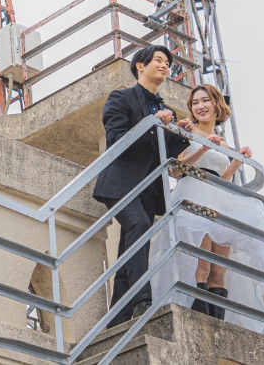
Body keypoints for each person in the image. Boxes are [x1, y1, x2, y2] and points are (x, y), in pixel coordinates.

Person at [147, 84, 264, 334]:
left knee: (219, 273)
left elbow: (224, 179)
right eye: (196, 102)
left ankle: (215, 330)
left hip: (220, 199)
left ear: (217, 105)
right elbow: (176, 169)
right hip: (195, 196)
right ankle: (198, 327)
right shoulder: (185, 131)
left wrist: (235, 161)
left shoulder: (224, 143)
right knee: (202, 267)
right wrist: (204, 148)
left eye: (206, 100)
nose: (201, 106)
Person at [93, 45, 191, 326]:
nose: (164, 66)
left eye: (167, 63)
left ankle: (118, 319)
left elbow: (168, 156)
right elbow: (115, 140)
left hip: (150, 188)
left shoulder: (166, 110)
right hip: (122, 183)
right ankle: (143, 299)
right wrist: (151, 123)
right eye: (158, 60)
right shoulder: (120, 98)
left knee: (130, 246)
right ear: (140, 65)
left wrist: (182, 133)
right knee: (138, 225)